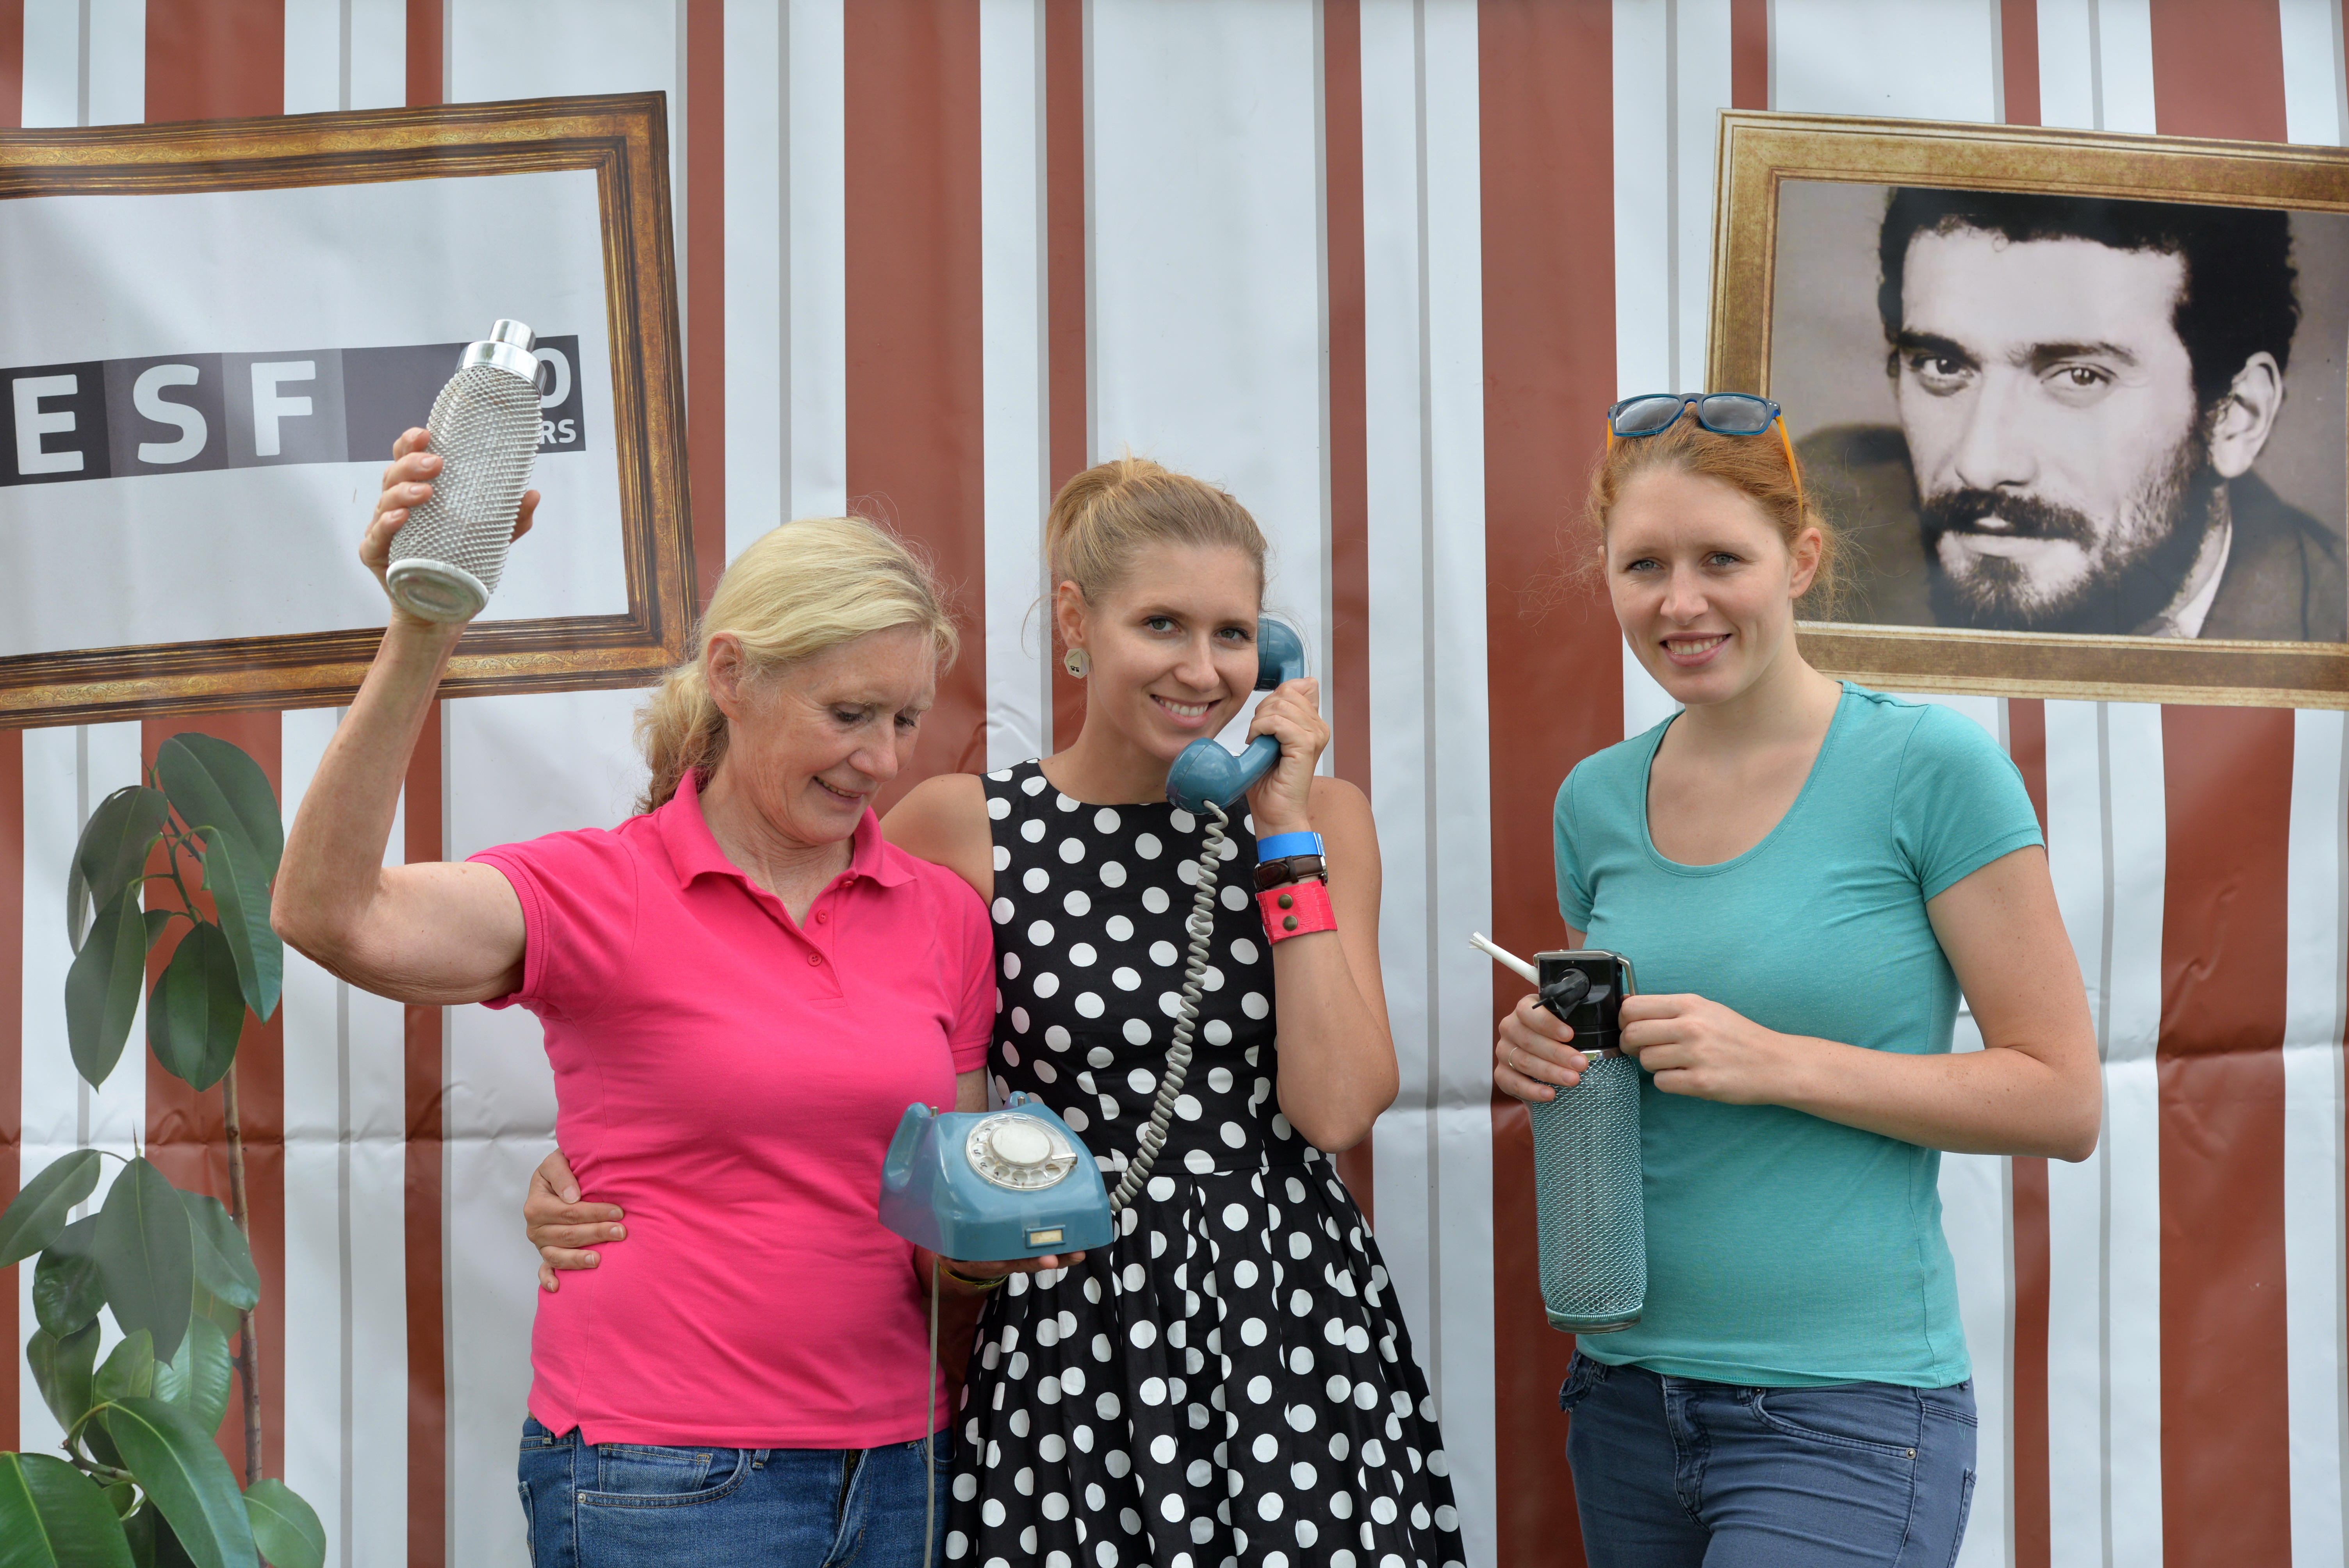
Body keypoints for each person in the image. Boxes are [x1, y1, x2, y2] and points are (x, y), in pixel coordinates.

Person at [531, 455, 1469, 1568]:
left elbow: (1337, 1106)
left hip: (1284, 1318)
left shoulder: (1316, 819)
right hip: (1065, 1322)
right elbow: (804, 1020)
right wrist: (618, 1157)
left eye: (1231, 634)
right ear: (1075, 621)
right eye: (1161, 625)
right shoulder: (964, 825)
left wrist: (1282, 832)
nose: (1201, 668)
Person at [271, 429, 1007, 1565]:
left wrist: (983, 1250)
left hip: (904, 1465)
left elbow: (938, 1219)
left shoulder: (941, 915)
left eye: (904, 721)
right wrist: (424, 627)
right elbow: (330, 913)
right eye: (848, 714)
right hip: (664, 1475)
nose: (882, 761)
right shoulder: (599, 890)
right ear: (733, 676)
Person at [1495, 394, 2101, 1566]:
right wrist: (1550, 1053)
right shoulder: (1594, 801)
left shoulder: (1930, 769)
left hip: (1847, 1416)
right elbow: (1622, 1087)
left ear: (1802, 560)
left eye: (1722, 559)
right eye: (1643, 565)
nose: (1681, 602)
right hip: (1623, 1400)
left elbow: (2061, 1099)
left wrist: (1774, 1061)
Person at [1803, 187, 2344, 640]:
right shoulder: (1817, 528)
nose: (1981, 464)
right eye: (1944, 366)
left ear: (2236, 417)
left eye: (2081, 376)